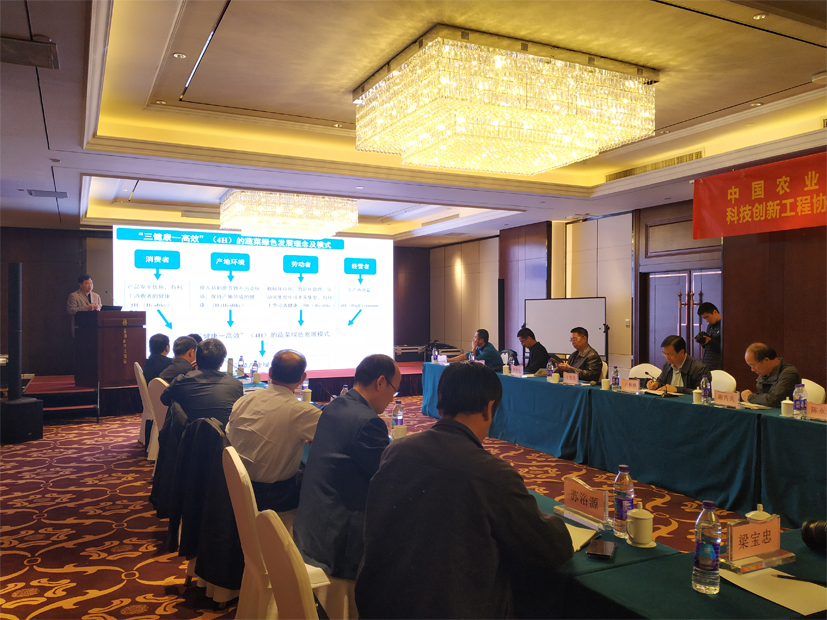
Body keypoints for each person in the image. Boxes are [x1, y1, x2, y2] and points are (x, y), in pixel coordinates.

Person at [355, 362, 573, 618]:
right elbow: (551, 548)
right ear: (489, 408)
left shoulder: (395, 451)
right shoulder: (493, 473)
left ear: (439, 406)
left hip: (379, 607)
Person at [293, 354, 401, 590]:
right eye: (394, 391)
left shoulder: (336, 405)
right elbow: (391, 478)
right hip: (335, 544)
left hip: (310, 526)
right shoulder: (368, 422)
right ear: (380, 382)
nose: (392, 399)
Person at [226, 350, 321, 518]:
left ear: (270, 372)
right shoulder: (303, 412)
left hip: (233, 487)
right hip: (274, 496)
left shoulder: (244, 400)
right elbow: (334, 438)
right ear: (302, 378)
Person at [160, 338, 242, 426]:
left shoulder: (182, 380)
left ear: (196, 358)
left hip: (190, 433)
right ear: (222, 362)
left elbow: (164, 399)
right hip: (224, 433)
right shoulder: (236, 385)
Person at [740, 343, 801, 408]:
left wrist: (749, 397)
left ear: (766, 360)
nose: (752, 370)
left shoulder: (789, 373)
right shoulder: (765, 373)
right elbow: (763, 397)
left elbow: (774, 400)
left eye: (753, 365)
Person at [696, 302, 723, 371]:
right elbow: (709, 346)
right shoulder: (710, 326)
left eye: (707, 317)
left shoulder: (724, 326)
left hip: (717, 366)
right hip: (706, 363)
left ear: (715, 312)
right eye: (704, 318)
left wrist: (710, 340)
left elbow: (725, 348)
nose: (707, 320)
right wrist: (703, 341)